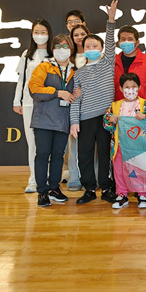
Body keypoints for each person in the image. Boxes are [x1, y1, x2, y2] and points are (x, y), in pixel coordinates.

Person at [70, 0, 118, 205]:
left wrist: (111, 20)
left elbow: (110, 41)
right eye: (88, 46)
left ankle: (106, 188)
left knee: (106, 154)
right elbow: (75, 100)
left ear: (101, 48)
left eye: (95, 46)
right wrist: (74, 121)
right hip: (85, 119)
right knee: (85, 155)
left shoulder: (107, 63)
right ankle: (89, 189)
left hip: (106, 117)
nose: (91, 48)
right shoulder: (78, 73)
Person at [28, 34, 78, 207]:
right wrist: (57, 92)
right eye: (58, 46)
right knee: (42, 155)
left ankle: (54, 188)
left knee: (58, 156)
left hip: (63, 120)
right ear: (52, 49)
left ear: (71, 49)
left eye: (65, 47)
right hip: (44, 119)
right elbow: (34, 90)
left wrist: (78, 93)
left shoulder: (74, 70)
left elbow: (77, 93)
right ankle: (42, 191)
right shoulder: (44, 67)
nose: (62, 50)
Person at [104, 73, 146, 209]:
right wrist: (111, 119)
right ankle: (122, 194)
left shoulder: (145, 104)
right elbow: (106, 123)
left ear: (139, 87)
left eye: (134, 86)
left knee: (140, 169)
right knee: (119, 170)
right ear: (121, 89)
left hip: (139, 146)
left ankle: (142, 194)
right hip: (120, 145)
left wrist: (145, 116)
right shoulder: (115, 106)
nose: (130, 90)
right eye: (127, 87)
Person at [13, 19, 53, 193]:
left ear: (49, 34)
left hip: (50, 104)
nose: (40, 35)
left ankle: (49, 178)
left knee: (48, 143)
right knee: (32, 142)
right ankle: (34, 179)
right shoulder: (27, 54)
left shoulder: (54, 54)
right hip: (30, 103)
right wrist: (17, 101)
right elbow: (21, 80)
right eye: (36, 32)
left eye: (43, 32)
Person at [64, 23, 90, 191]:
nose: (79, 37)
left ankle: (93, 177)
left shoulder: (95, 55)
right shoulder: (68, 58)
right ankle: (74, 178)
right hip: (73, 103)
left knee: (92, 144)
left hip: (91, 104)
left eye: (82, 34)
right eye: (76, 35)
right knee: (73, 143)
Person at [114, 25, 146, 103]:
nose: (126, 41)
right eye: (123, 39)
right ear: (119, 43)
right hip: (118, 106)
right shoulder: (113, 61)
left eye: (130, 39)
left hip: (141, 106)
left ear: (137, 43)